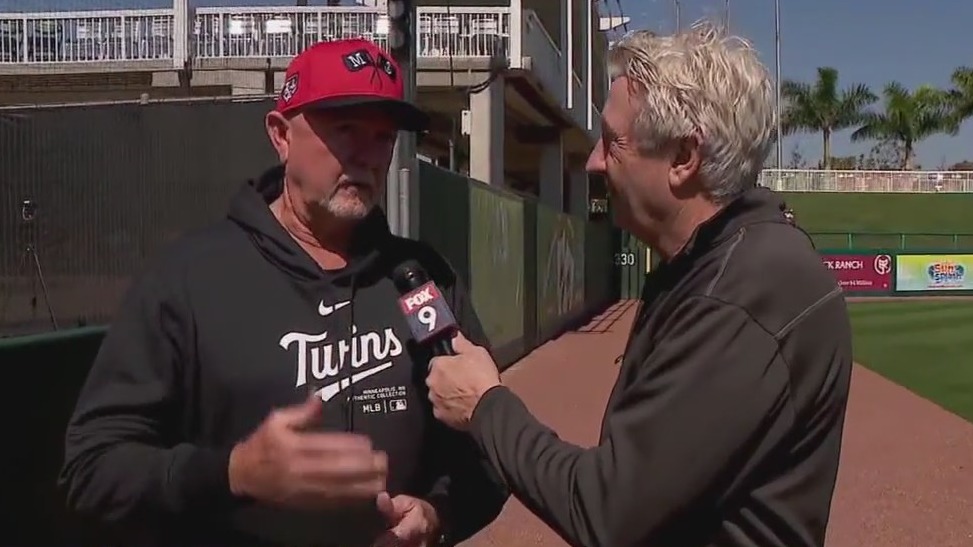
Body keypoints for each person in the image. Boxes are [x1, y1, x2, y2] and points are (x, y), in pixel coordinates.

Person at [59, 38, 508, 547]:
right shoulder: (190, 278)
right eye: (345, 129)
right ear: (280, 135)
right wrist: (234, 473)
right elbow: (93, 467)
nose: (367, 156)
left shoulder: (422, 278)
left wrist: (437, 514)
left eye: (383, 136)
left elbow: (486, 449)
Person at [424, 23, 853, 547]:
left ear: (683, 158)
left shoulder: (745, 288)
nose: (594, 161)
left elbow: (607, 512)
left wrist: (484, 405)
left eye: (613, 142)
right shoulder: (715, 261)